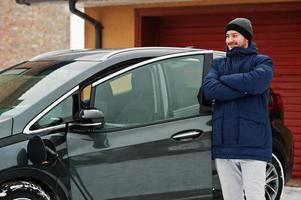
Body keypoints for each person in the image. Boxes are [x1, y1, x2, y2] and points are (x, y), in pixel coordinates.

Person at [203, 18, 273, 200]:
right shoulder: (218, 64)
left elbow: (257, 83)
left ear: (247, 38)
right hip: (224, 146)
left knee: (255, 197)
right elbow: (209, 90)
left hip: (253, 145)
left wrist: (224, 80)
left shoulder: (263, 62)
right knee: (230, 197)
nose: (229, 40)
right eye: (227, 36)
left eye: (235, 35)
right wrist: (244, 88)